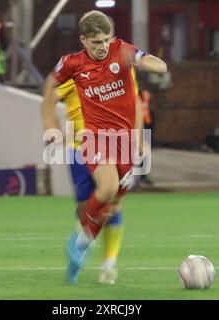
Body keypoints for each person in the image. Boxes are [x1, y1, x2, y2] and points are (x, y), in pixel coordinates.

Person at [41, 10, 167, 284]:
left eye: (106, 40)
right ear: (84, 40)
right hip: (93, 137)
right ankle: (82, 238)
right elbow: (51, 85)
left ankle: (85, 248)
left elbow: (144, 59)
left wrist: (156, 64)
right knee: (107, 188)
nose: (102, 47)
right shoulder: (72, 63)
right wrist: (50, 123)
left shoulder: (121, 51)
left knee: (111, 205)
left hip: (124, 143)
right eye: (96, 42)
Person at [56, 64, 141, 284]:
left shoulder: (124, 69)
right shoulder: (71, 71)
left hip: (114, 144)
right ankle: (79, 251)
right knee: (87, 208)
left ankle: (108, 267)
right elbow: (51, 96)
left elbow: (136, 104)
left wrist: (138, 139)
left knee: (112, 204)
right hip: (78, 149)